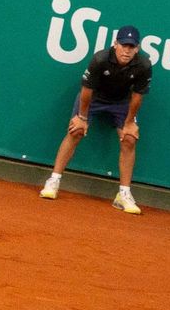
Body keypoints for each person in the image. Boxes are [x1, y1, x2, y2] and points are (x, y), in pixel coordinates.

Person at [38, 23, 150, 215]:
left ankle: (123, 195)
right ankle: (53, 181)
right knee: (76, 131)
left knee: (129, 139)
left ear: (137, 49)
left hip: (121, 103)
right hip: (94, 98)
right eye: (124, 45)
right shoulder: (100, 59)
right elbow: (87, 89)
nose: (127, 50)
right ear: (115, 44)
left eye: (131, 47)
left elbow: (138, 96)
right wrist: (82, 117)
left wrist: (129, 122)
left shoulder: (143, 65)